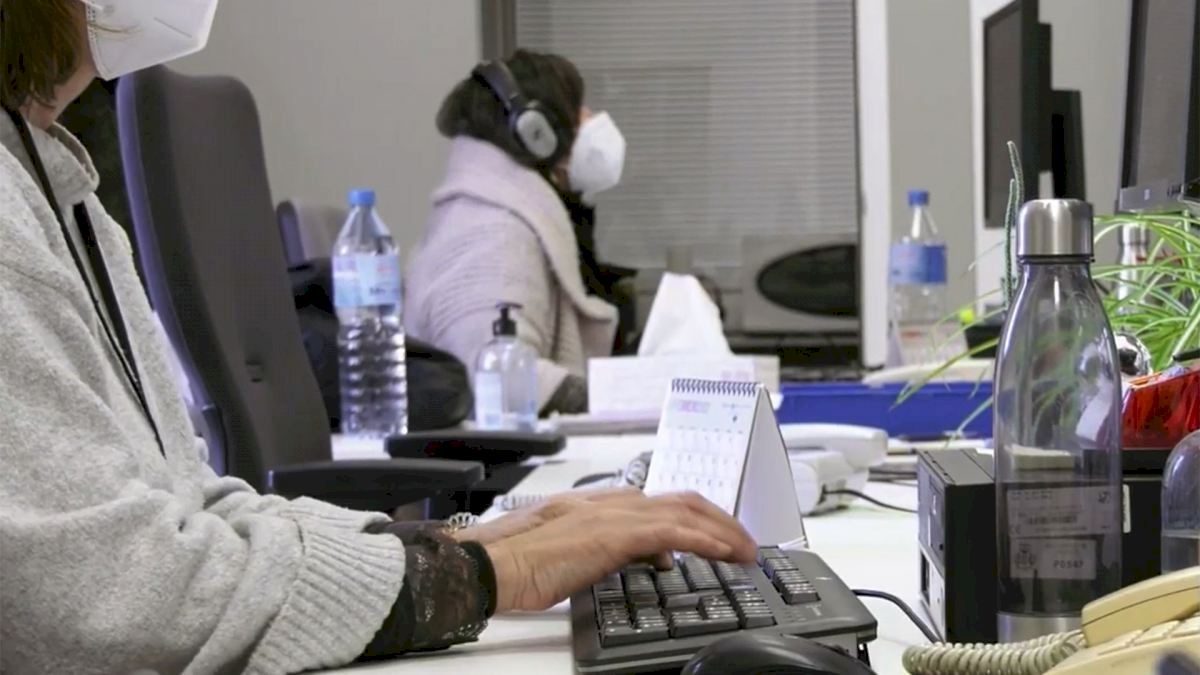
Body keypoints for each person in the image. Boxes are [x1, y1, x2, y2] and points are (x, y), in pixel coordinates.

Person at [0, 3, 757, 674]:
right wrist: (483, 573)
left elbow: (189, 508)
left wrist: (456, 547)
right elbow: (114, 594)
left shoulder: (64, 197)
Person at [406, 50, 629, 415]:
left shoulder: (500, 213)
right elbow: (496, 376)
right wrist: (623, 398)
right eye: (577, 109)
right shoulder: (490, 232)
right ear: (536, 133)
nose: (590, 119)